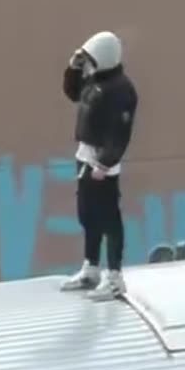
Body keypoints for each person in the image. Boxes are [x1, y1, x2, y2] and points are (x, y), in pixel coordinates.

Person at [59, 30, 139, 300]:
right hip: (85, 153)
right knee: (87, 215)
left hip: (101, 162)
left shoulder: (122, 90)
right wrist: (73, 68)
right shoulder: (95, 81)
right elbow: (73, 94)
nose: (87, 65)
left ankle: (114, 276)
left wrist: (105, 164)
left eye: (90, 59)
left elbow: (121, 133)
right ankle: (90, 267)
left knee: (108, 218)